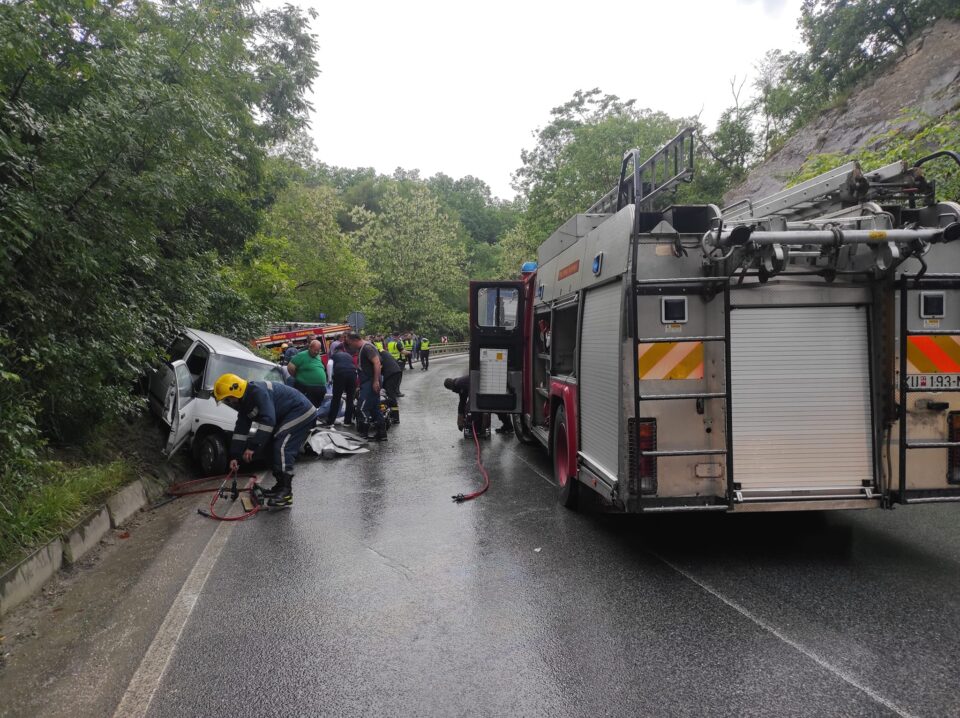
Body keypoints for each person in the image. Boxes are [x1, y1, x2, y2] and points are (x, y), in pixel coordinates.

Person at [214, 373, 317, 508]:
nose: (229, 402)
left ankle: (286, 493)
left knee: (282, 446)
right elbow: (240, 430)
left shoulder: (257, 392)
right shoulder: (244, 402)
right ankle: (280, 486)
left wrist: (252, 446)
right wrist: (235, 456)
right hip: (287, 414)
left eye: (228, 398)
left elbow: (268, 421)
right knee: (269, 447)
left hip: (302, 411)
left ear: (236, 391)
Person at [344, 332, 387, 441]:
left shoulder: (367, 348)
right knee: (374, 408)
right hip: (368, 381)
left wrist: (376, 381)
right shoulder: (363, 348)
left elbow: (377, 363)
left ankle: (363, 433)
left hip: (371, 381)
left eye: (349, 343)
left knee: (362, 408)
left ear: (354, 340)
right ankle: (381, 434)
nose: (349, 345)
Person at [443, 375, 512, 437]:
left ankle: (477, 428)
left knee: (472, 408)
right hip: (487, 385)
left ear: (450, 387)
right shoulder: (459, 383)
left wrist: (462, 418)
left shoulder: (458, 384)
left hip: (483, 388)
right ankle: (508, 425)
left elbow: (469, 399)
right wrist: (460, 416)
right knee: (495, 405)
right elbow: (462, 402)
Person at [322, 345, 358, 427]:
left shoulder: (334, 355)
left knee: (336, 399)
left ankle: (330, 422)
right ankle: (347, 421)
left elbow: (329, 365)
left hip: (340, 374)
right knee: (350, 398)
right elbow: (355, 367)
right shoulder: (349, 356)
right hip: (352, 374)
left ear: (335, 350)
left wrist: (330, 378)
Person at [287, 339, 327, 408]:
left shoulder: (317, 355)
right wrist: (298, 376)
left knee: (316, 408)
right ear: (310, 347)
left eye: (318, 350)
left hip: (320, 388)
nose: (317, 352)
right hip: (307, 388)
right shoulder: (301, 355)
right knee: (307, 407)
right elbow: (290, 367)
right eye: (315, 350)